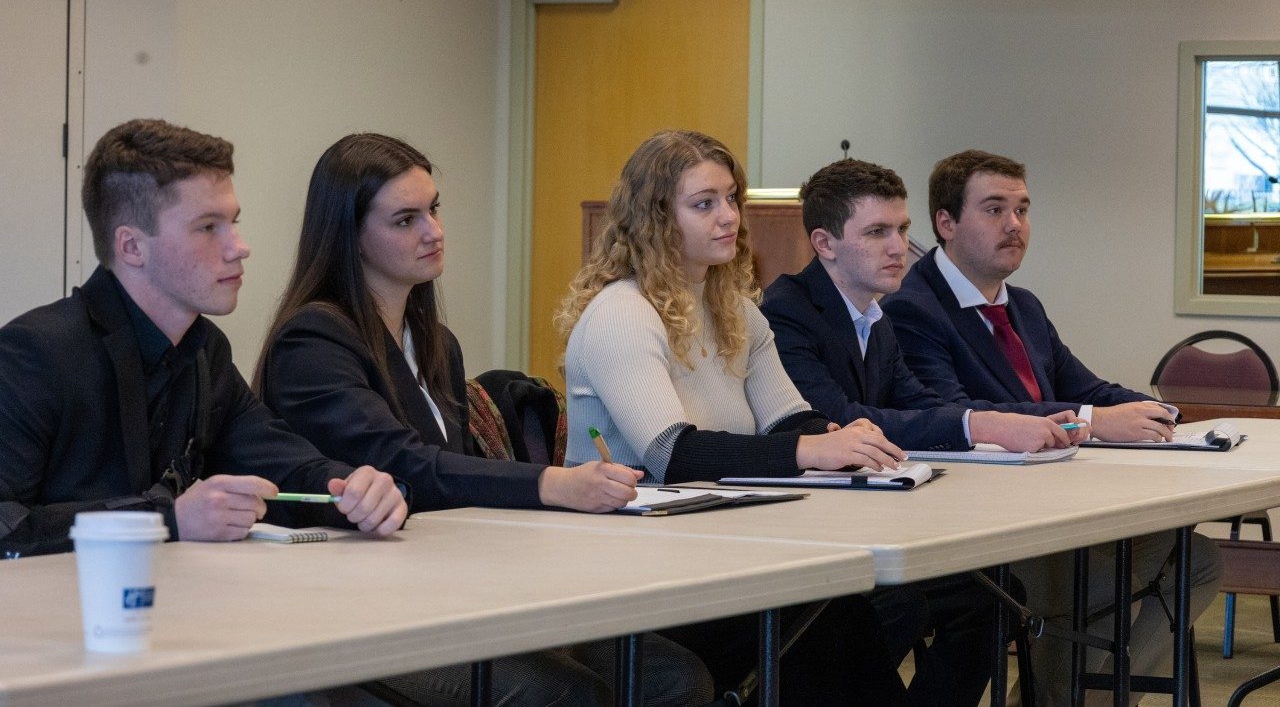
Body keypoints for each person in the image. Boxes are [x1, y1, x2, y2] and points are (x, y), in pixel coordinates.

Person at [255, 132, 711, 707]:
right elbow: (406, 464)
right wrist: (555, 484)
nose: (433, 231)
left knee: (674, 677)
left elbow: (454, 478)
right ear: (350, 237)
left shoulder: (436, 343)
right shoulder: (313, 342)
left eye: (434, 209)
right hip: (360, 610)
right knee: (568, 695)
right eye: (405, 220)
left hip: (447, 586)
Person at [558, 128, 943, 705]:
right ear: (657, 217)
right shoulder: (621, 313)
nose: (729, 217)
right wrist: (809, 450)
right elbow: (676, 454)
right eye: (704, 203)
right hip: (633, 571)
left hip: (720, 546)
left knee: (863, 606)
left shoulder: (736, 309)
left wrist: (842, 439)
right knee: (833, 622)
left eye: (731, 198)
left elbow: (789, 418)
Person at [880, 148, 1223, 705]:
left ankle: (1074, 698)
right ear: (946, 223)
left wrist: (1169, 417)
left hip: (1053, 505)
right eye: (994, 209)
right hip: (982, 527)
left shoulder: (1025, 306)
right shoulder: (913, 308)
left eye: (1022, 209)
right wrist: (1094, 421)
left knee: (1199, 560)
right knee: (1110, 570)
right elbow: (958, 413)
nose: (1015, 225)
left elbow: (1085, 387)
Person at [0, 119, 406, 560]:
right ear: (132, 247)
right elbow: (7, 525)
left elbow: (282, 464)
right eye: (208, 227)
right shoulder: (35, 353)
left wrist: (354, 491)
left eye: (234, 221)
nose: (239, 246)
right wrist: (166, 520)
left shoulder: (205, 349)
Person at [762, 157, 1087, 454]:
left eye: (902, 229)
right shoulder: (786, 312)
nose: (898, 247)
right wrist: (983, 426)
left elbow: (918, 402)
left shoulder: (876, 319)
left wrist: (1000, 424)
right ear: (824, 243)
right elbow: (837, 418)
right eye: (877, 232)